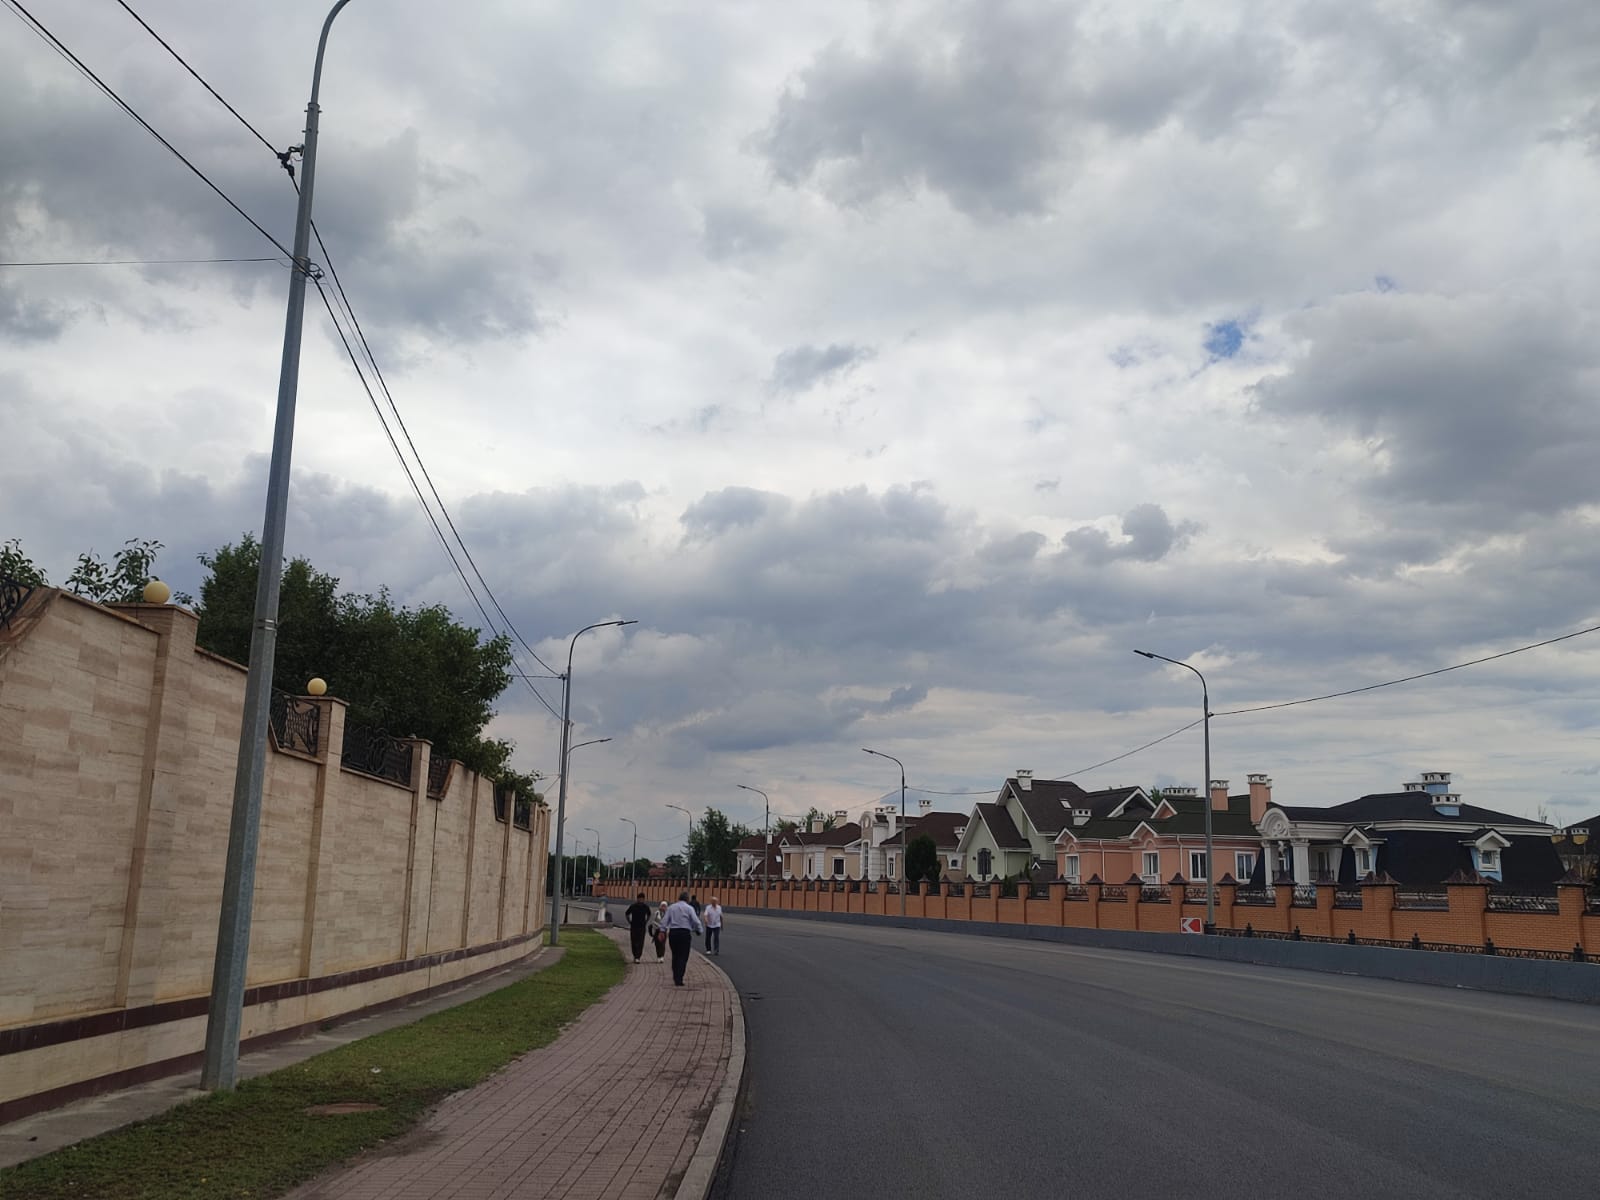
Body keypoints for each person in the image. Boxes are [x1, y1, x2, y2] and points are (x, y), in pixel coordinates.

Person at [660, 891, 704, 986]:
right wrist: (699, 930)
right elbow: (696, 921)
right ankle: (679, 977)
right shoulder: (689, 908)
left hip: (673, 933)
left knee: (675, 955)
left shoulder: (671, 908)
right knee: (683, 956)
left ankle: (676, 975)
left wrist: (662, 931)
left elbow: (665, 920)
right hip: (684, 934)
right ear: (687, 899)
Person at [624, 893, 652, 963]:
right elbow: (627, 913)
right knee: (634, 941)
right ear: (637, 899)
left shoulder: (645, 907)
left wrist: (646, 921)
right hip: (634, 926)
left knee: (640, 942)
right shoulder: (633, 906)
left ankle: (638, 957)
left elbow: (649, 914)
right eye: (640, 899)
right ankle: (635, 954)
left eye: (642, 899)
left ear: (644, 899)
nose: (641, 900)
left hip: (642, 927)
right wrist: (629, 921)